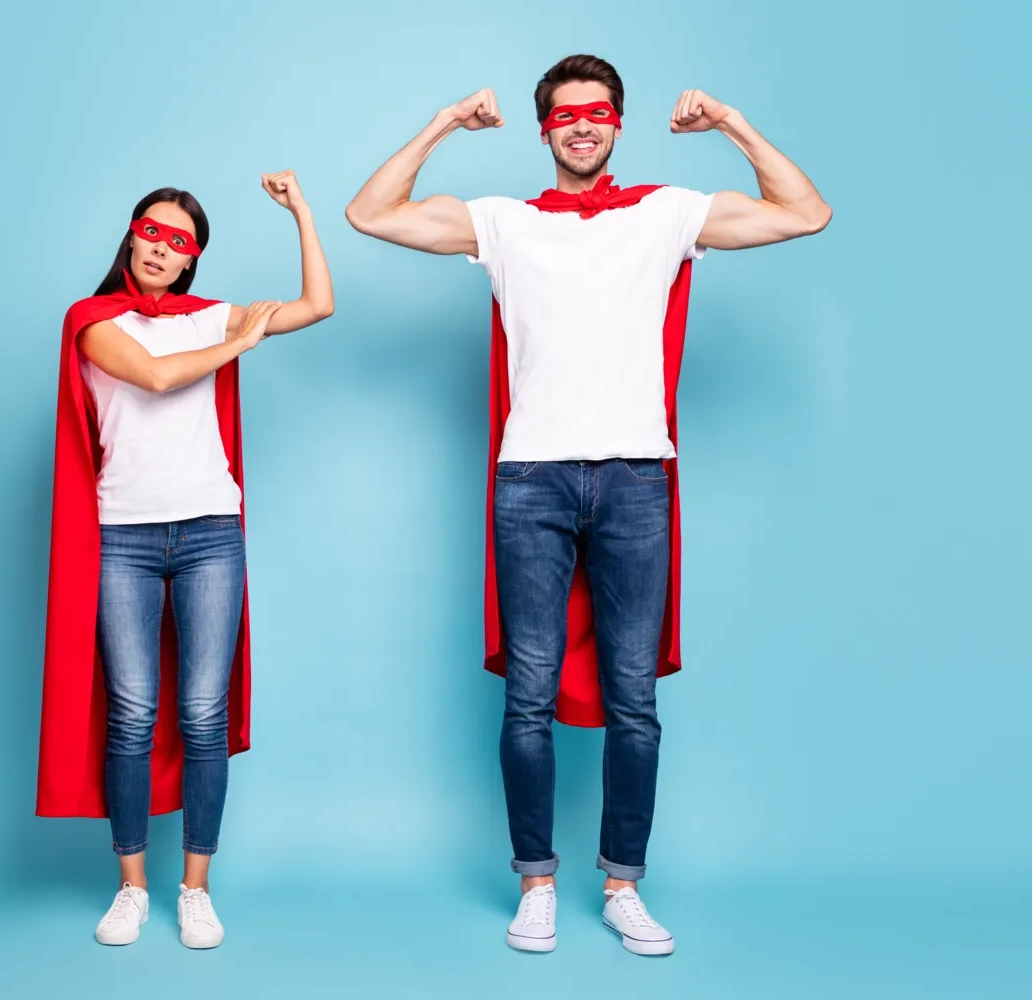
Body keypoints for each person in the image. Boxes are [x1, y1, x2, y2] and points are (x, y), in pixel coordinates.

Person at [345, 54, 829, 955]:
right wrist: (447, 121)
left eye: (598, 112)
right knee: (528, 698)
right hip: (531, 478)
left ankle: (622, 885)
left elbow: (807, 211)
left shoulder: (667, 211)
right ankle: (535, 882)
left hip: (638, 477)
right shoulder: (504, 222)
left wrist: (728, 121)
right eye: (566, 113)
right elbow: (370, 212)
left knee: (633, 699)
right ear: (545, 130)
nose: (583, 124)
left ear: (616, 124)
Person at [36, 172, 333, 950]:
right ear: (131, 235)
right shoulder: (93, 320)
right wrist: (239, 344)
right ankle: (131, 888)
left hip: (208, 530)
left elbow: (317, 305)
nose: (161, 248)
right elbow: (159, 376)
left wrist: (302, 212)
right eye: (151, 232)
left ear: (194, 256)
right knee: (132, 712)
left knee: (203, 713)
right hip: (124, 538)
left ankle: (194, 888)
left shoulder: (208, 315)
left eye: (179, 240)